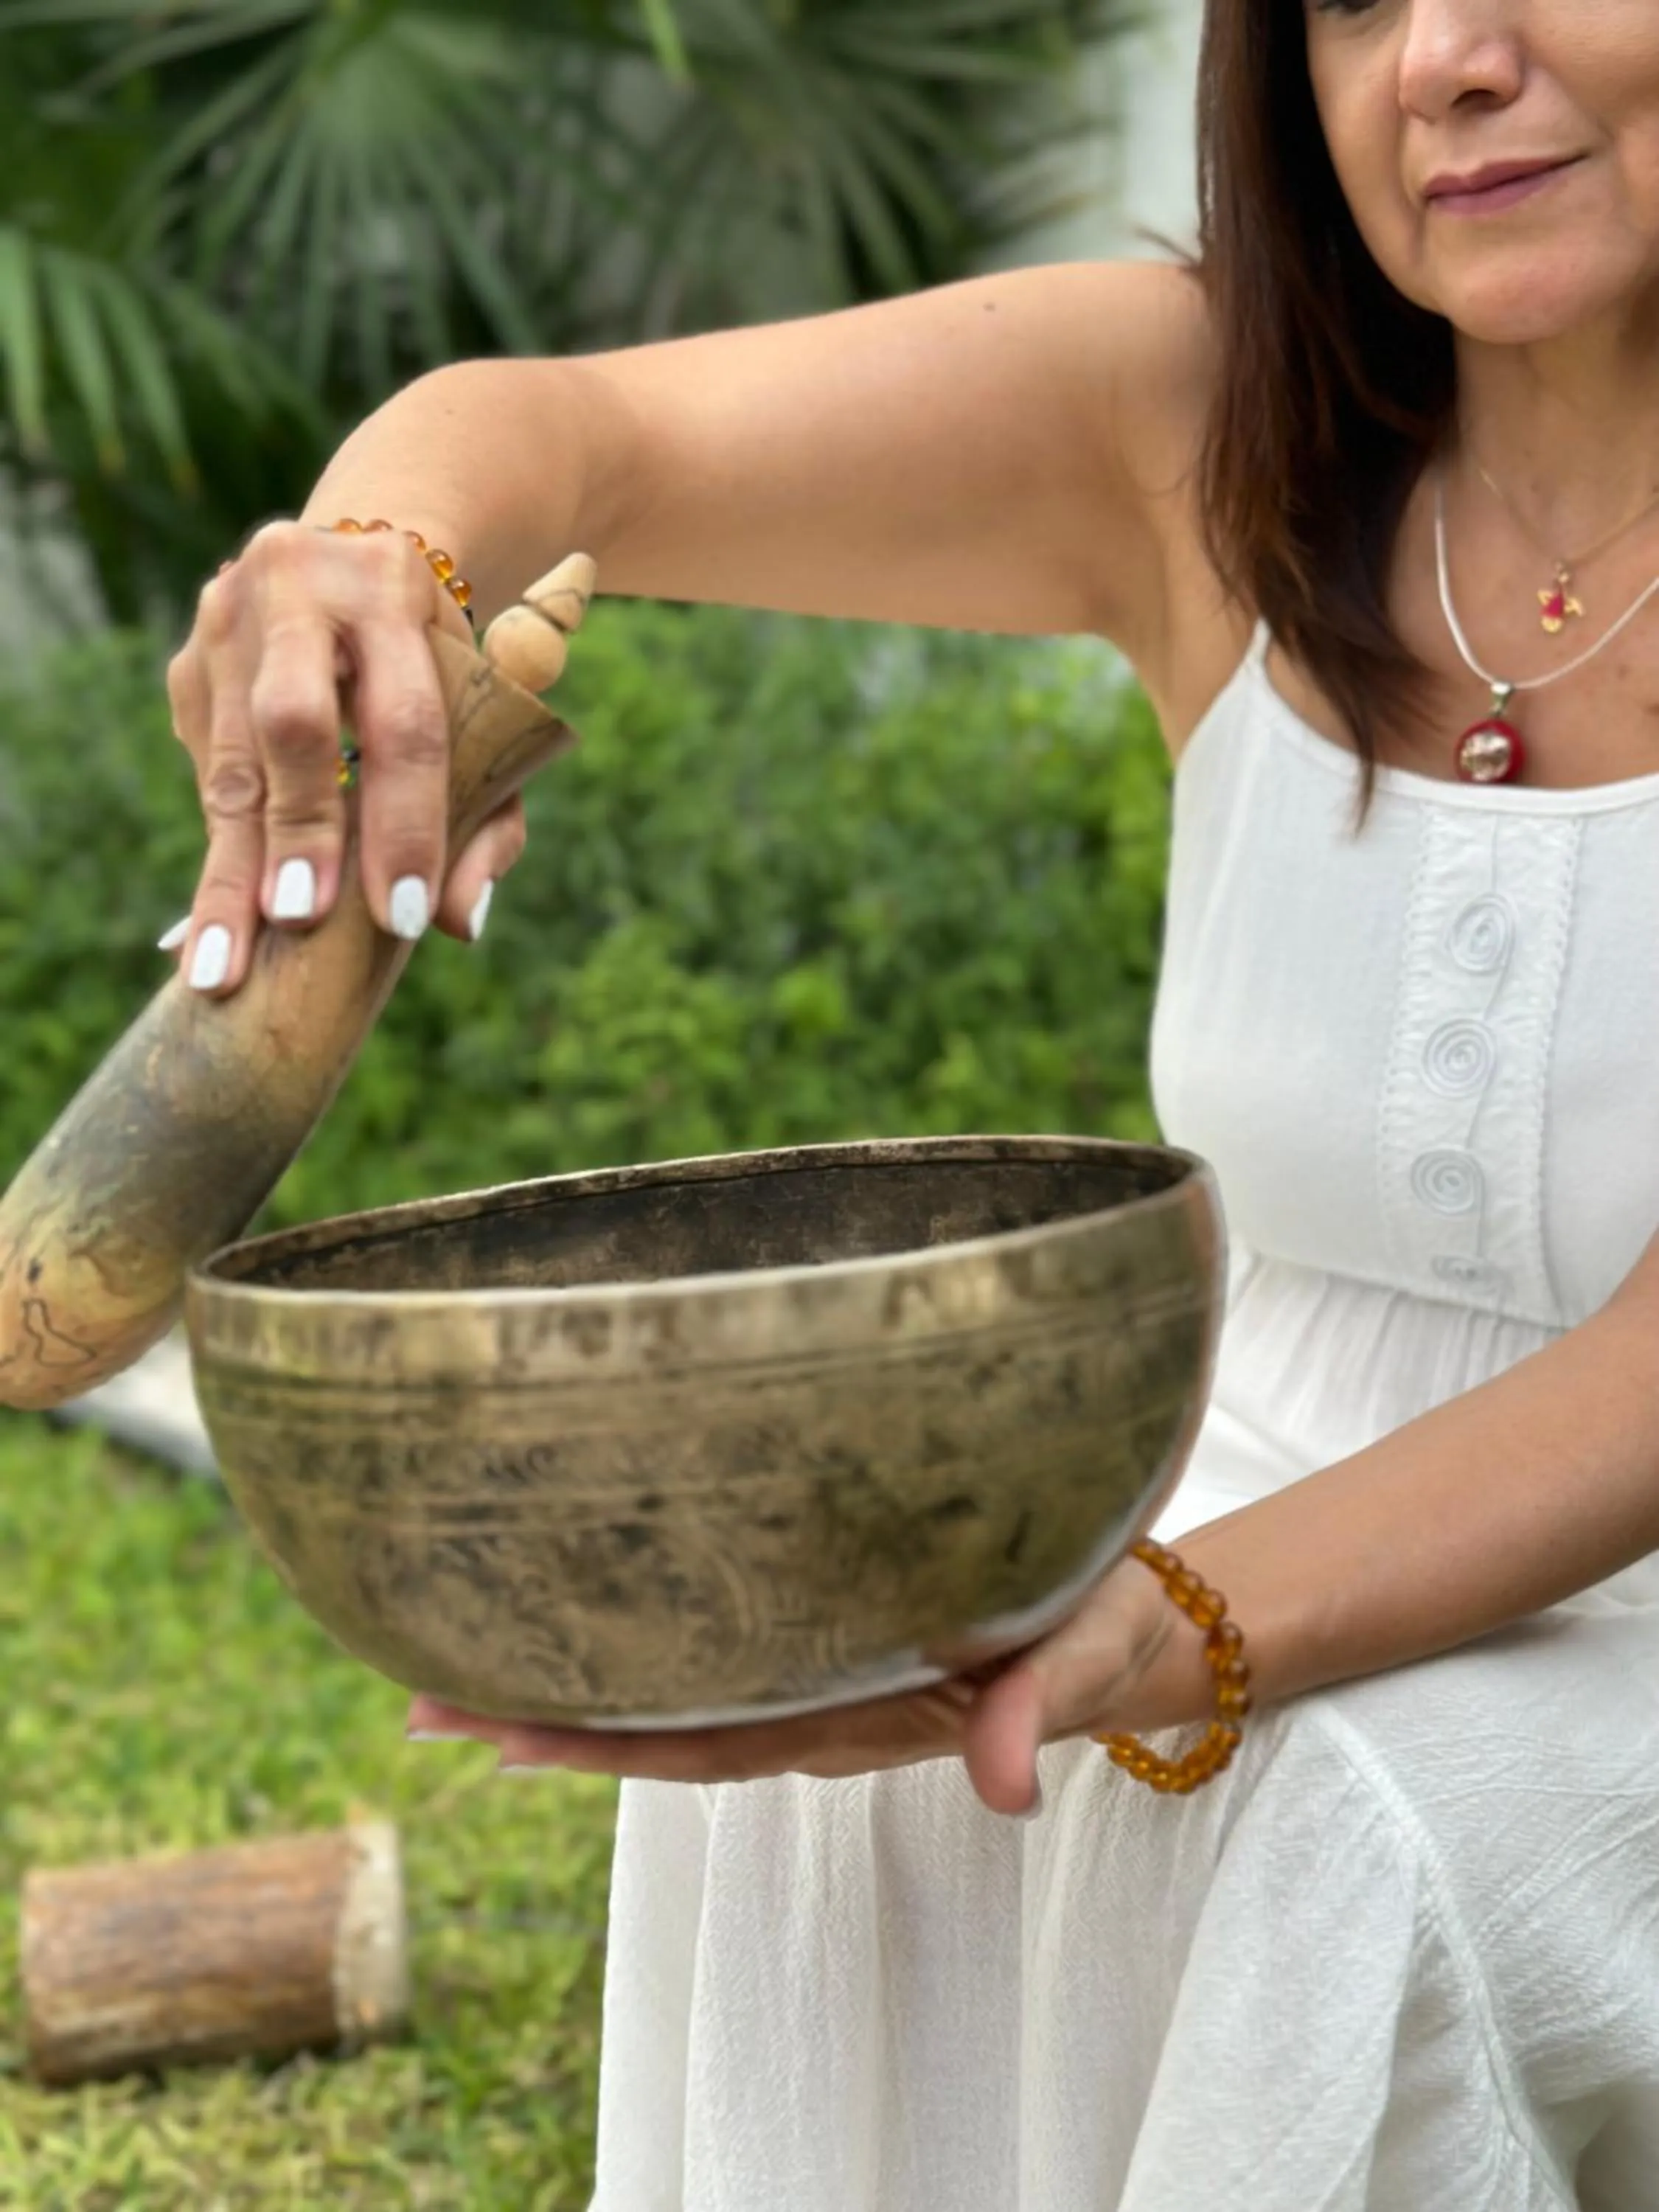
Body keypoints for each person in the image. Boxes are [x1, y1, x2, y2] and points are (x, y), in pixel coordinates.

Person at [162, 2, 1659, 2202]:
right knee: (847, 1738)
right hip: (1229, 1440)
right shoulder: (1207, 430)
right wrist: (377, 572)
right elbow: (573, 437)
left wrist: (1164, 1625)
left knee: (1316, 1817)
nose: (1439, 56)